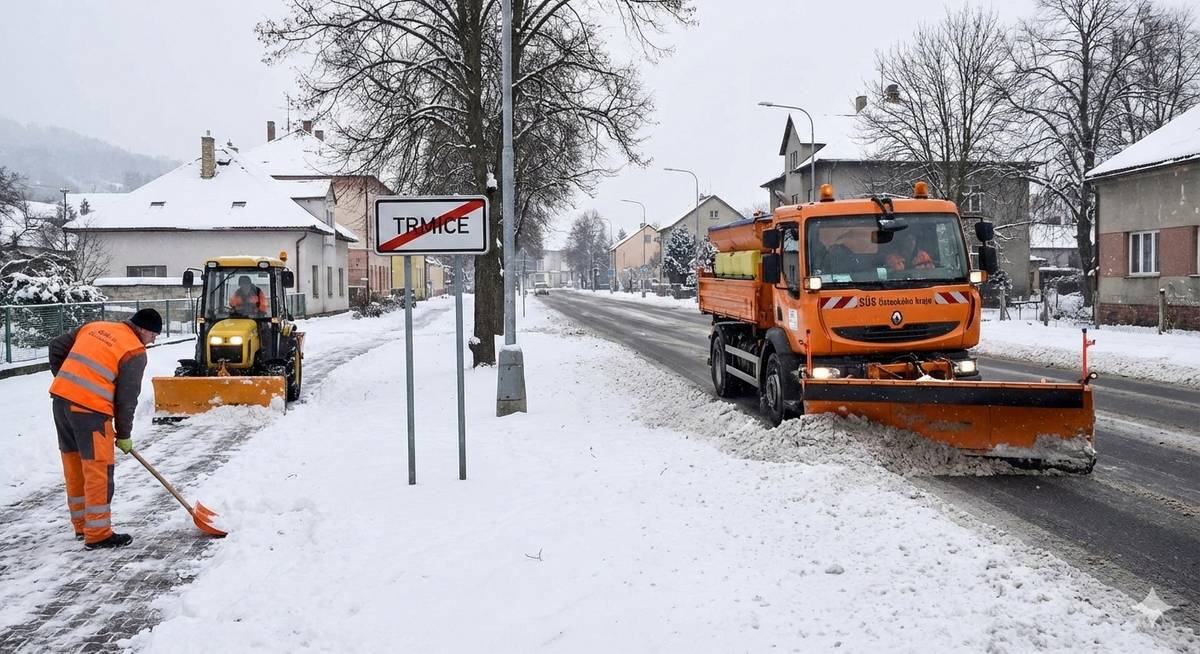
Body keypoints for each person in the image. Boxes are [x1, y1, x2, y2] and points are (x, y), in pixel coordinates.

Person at [48, 308, 162, 549]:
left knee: (74, 463)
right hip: (90, 413)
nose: (154, 339)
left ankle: (82, 525)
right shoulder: (135, 351)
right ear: (142, 329)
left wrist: (68, 384)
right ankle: (98, 532)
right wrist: (124, 435)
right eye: (153, 334)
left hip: (61, 402)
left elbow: (56, 347)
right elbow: (126, 400)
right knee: (97, 469)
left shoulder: (93, 327)